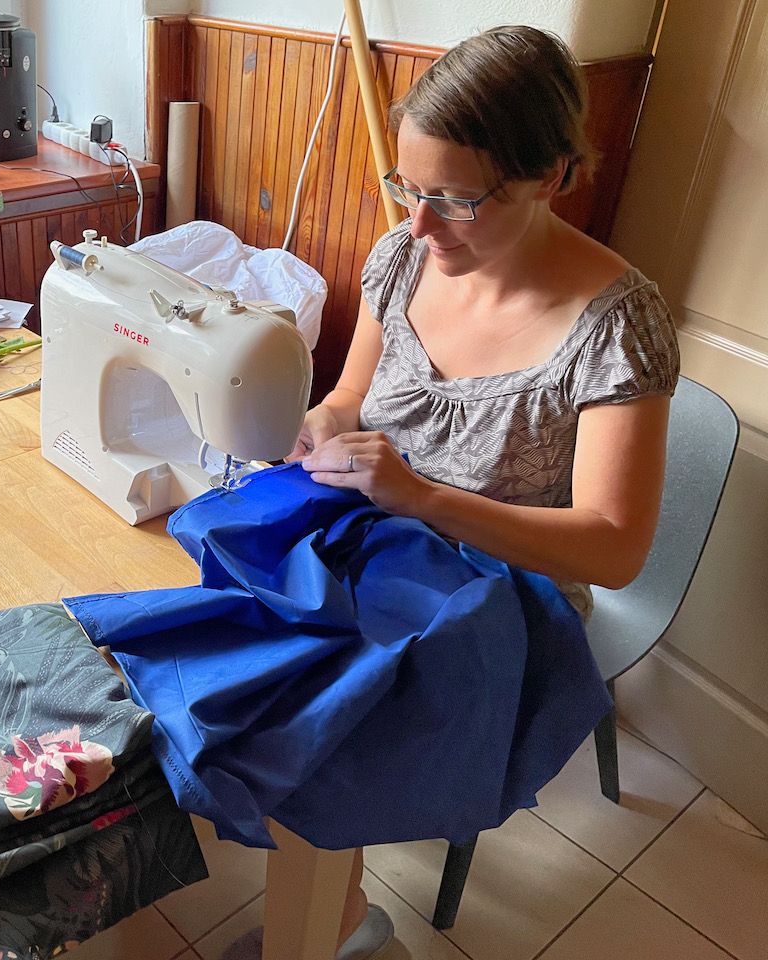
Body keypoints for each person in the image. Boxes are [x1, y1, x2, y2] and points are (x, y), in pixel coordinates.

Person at [285, 24, 679, 957]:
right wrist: (321, 424)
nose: (421, 227)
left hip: (509, 596)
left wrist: (423, 497)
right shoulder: (402, 258)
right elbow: (348, 397)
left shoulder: (615, 327)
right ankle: (323, 897)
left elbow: (615, 548)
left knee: (318, 711)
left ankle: (335, 922)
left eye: (455, 200)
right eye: (408, 189)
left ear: (551, 175)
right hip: (387, 538)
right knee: (241, 629)